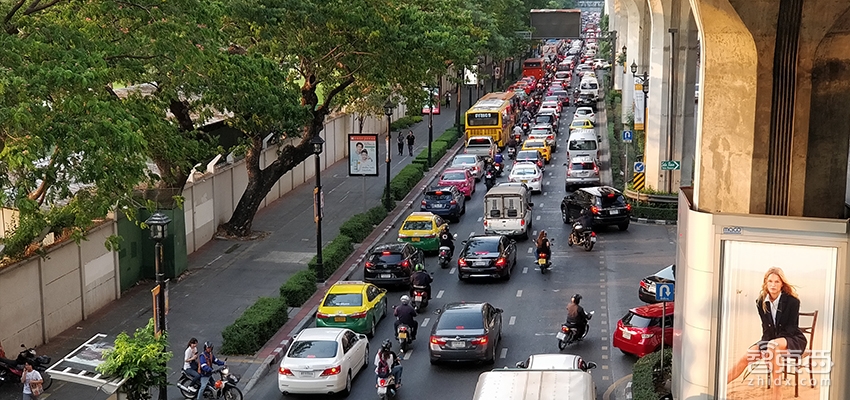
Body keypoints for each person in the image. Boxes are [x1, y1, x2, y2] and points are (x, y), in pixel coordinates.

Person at [726, 267, 806, 400]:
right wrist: (765, 348)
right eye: (770, 281)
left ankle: (777, 395)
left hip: (792, 338)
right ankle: (719, 386)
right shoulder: (760, 302)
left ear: (782, 284)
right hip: (770, 340)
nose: (773, 285)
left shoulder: (793, 302)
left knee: (773, 346)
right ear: (766, 283)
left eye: (777, 282)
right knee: (747, 356)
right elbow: (766, 330)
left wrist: (770, 347)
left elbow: (791, 329)